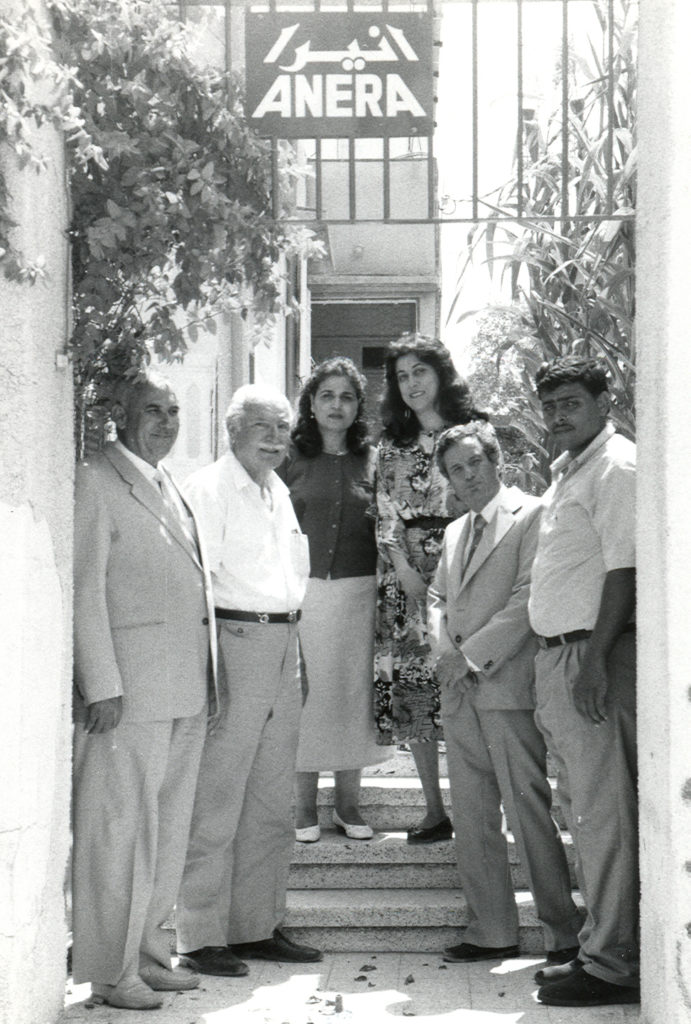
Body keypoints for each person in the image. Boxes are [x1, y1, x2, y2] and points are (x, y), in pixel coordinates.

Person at [72, 371, 218, 1010]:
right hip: (126, 699)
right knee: (118, 835)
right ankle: (109, 972)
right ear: (121, 416)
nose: (166, 421)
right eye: (153, 410)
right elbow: (85, 592)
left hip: (183, 691)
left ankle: (150, 955)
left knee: (165, 834)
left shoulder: (169, 484)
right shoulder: (95, 479)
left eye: (174, 410)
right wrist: (100, 684)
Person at [175, 384, 322, 976]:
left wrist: (299, 654)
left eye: (283, 428)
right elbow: (196, 590)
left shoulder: (278, 492)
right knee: (217, 797)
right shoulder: (208, 490)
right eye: (263, 426)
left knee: (270, 802)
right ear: (233, 430)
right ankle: (200, 934)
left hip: (283, 644)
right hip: (234, 644)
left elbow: (290, 581)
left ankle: (255, 926)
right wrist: (211, 671)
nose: (275, 438)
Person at [427, 421, 582, 964]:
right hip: (460, 693)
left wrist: (468, 656)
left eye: (474, 463)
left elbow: (527, 599)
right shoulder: (452, 532)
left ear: (497, 462)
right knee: (471, 818)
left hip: (507, 688)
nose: (466, 477)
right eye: (455, 470)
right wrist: (444, 652)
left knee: (527, 814)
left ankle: (563, 935)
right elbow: (438, 598)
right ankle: (490, 930)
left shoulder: (535, 514)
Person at [527, 357, 638, 1007]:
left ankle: (612, 964)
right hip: (560, 659)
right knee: (586, 816)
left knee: (604, 817)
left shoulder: (615, 466)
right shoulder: (573, 470)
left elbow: (623, 571)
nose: (557, 415)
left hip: (591, 660)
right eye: (550, 405)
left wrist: (593, 662)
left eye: (570, 401)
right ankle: (602, 947)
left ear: (603, 400)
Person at [374, 333, 481, 842]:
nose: (412, 383)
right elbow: (385, 514)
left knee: (465, 686)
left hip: (466, 566)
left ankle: (480, 807)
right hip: (407, 580)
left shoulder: (474, 433)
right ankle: (434, 811)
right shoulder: (390, 445)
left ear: (440, 373)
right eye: (402, 376)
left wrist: (446, 572)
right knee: (416, 694)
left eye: (420, 371)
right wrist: (406, 570)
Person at [279, 358, 391, 843]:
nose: (337, 406)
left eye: (347, 397)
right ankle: (303, 806)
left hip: (358, 595)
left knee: (351, 696)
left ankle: (348, 804)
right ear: (311, 402)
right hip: (304, 596)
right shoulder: (289, 459)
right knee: (308, 695)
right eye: (327, 396)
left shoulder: (375, 460)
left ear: (357, 406)